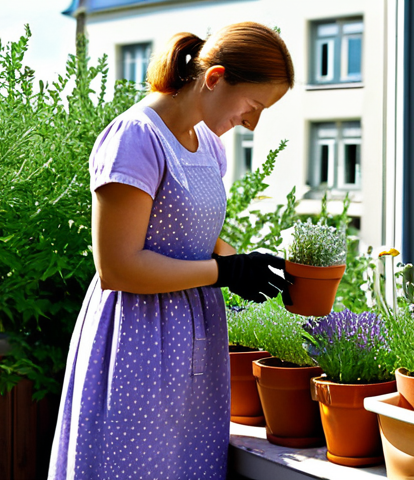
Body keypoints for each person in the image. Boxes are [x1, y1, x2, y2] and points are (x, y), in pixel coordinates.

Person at [48, 22, 294, 480]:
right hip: (138, 342)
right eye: (253, 105)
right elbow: (117, 268)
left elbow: (198, 239)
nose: (253, 121)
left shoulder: (210, 148)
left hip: (195, 347)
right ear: (215, 78)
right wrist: (225, 272)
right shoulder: (135, 137)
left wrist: (252, 266)